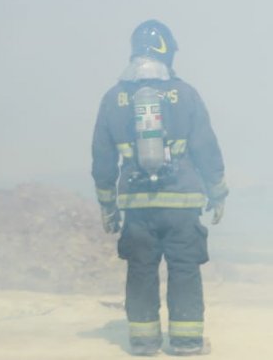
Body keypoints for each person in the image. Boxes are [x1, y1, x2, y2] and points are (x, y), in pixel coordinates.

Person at [92, 20, 228, 356]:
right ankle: (186, 342)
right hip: (182, 203)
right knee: (183, 269)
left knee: (140, 271)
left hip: (137, 205)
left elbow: (102, 159)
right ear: (167, 50)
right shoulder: (185, 94)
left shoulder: (114, 98)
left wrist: (107, 206)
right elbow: (206, 147)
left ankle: (143, 342)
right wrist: (218, 191)